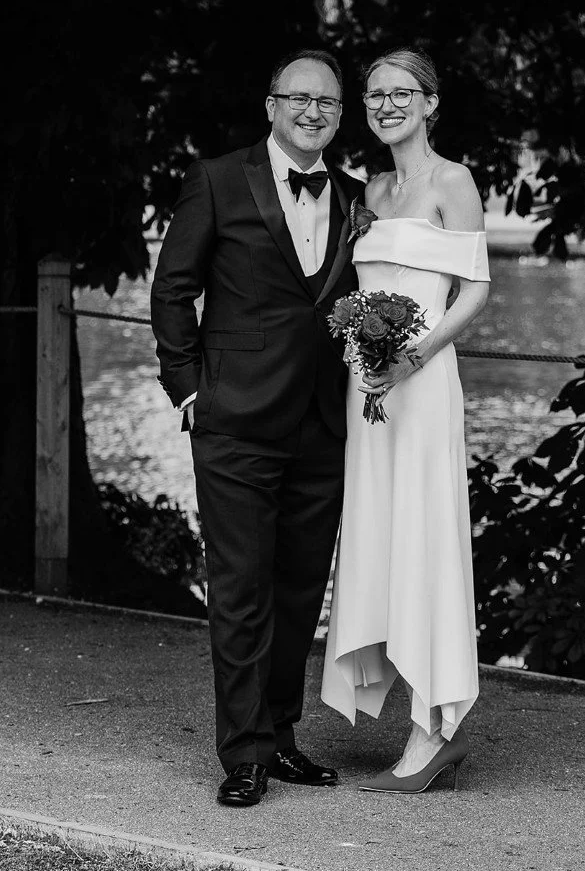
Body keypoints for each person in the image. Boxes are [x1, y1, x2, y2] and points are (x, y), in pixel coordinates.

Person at [150, 50, 365, 807]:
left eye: (329, 104)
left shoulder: (355, 196)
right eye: (299, 99)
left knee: (302, 590)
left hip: (322, 423)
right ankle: (242, 754)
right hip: (234, 421)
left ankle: (280, 738)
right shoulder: (217, 178)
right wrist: (187, 390)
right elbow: (173, 290)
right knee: (241, 591)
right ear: (270, 104)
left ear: (341, 116)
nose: (313, 112)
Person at [321, 48, 491, 793]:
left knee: (425, 534)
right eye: (375, 94)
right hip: (369, 393)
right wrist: (365, 352)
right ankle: (409, 713)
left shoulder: (454, 181)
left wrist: (412, 357)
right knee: (380, 531)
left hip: (421, 385)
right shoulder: (373, 188)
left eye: (401, 93)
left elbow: (476, 293)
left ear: (430, 102)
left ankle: (435, 727)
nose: (387, 104)